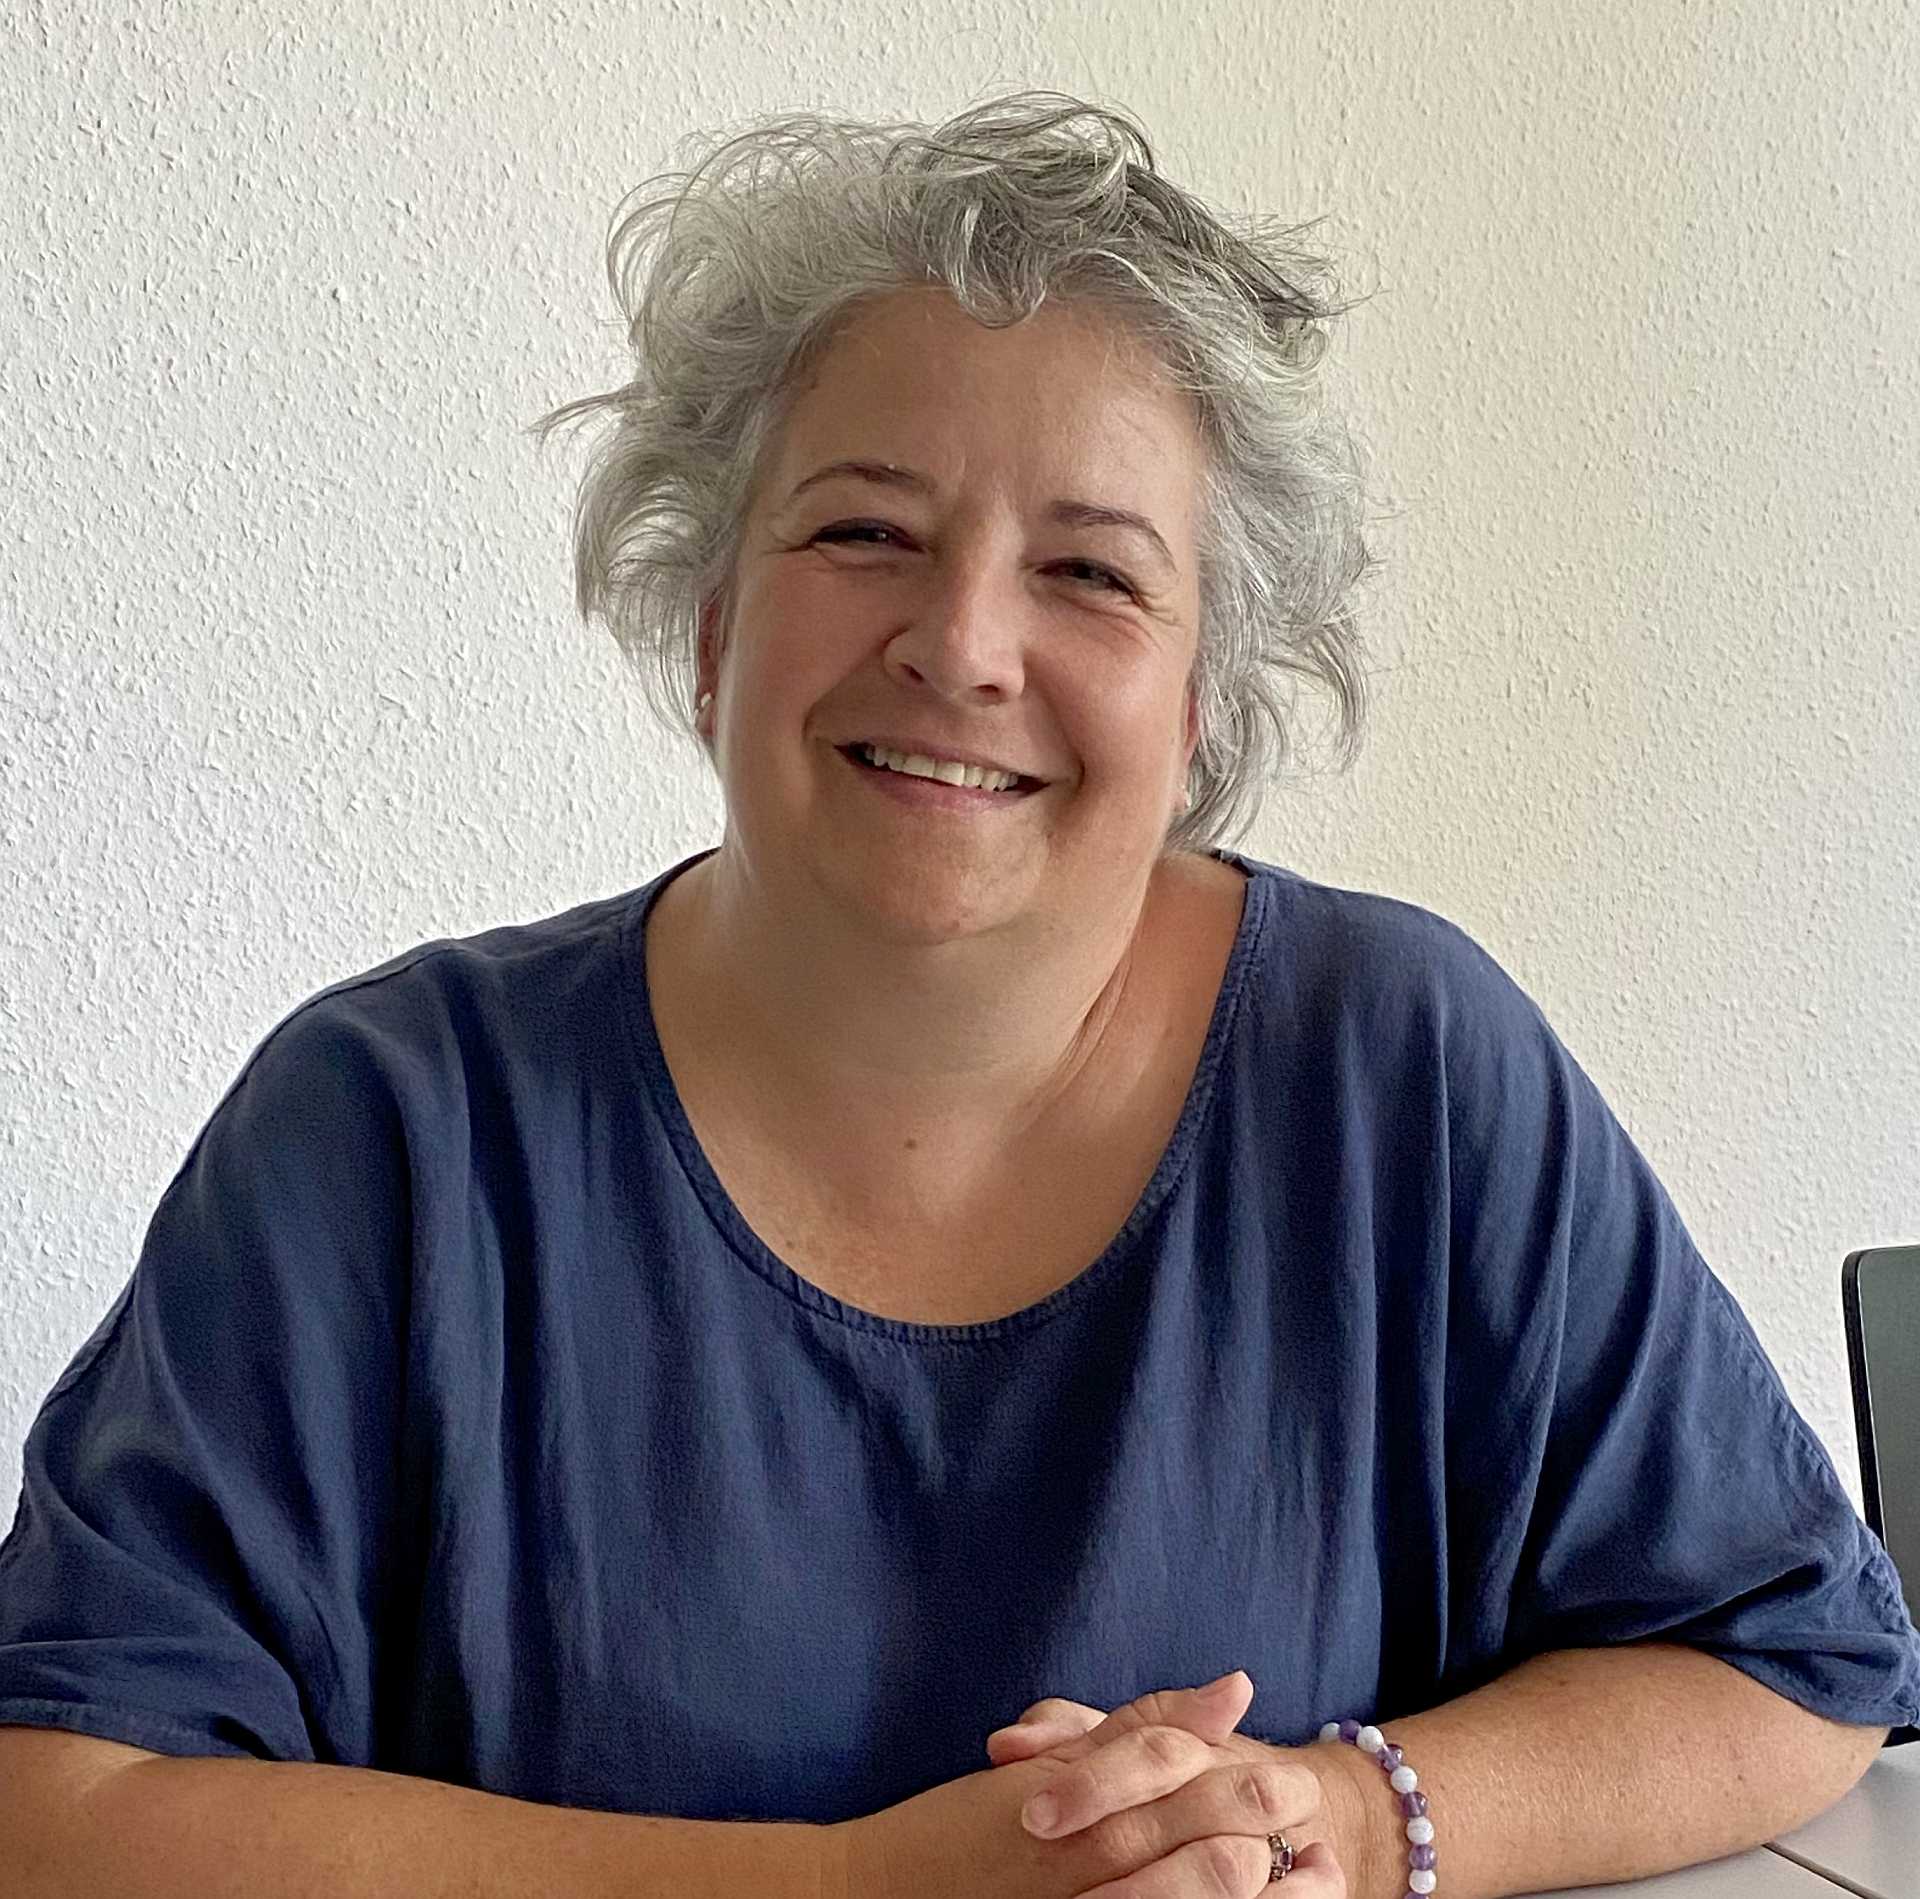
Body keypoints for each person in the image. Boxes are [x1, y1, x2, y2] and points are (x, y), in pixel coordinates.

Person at [1, 90, 1915, 1899]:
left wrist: (1339, 1818)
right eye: (864, 533)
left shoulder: (1403, 1068)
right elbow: (60, 1804)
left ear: (1201, 706)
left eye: (1091, 572)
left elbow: (1796, 1663)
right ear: (712, 622)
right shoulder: (391, 1127)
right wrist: (843, 1889)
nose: (965, 644)